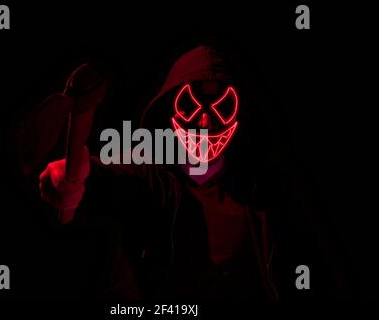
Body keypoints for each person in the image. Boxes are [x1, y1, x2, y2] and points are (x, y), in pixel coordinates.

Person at [19, 45, 351, 300]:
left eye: (222, 107)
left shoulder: (265, 192)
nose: (204, 122)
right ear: (169, 110)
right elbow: (104, 177)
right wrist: (67, 178)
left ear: (239, 119)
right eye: (190, 107)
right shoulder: (148, 175)